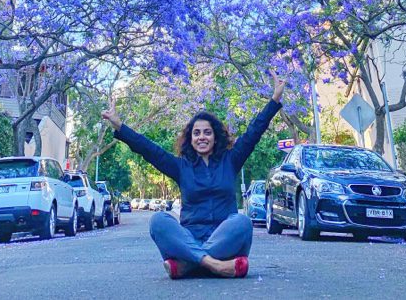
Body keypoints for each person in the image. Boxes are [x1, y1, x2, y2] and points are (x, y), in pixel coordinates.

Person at [101, 71, 285, 279]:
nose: (202, 137)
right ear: (190, 139)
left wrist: (274, 100)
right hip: (190, 238)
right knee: (158, 221)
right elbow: (149, 150)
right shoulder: (181, 167)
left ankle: (187, 265)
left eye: (207, 132)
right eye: (196, 133)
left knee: (242, 223)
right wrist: (119, 126)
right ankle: (214, 265)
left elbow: (254, 131)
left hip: (225, 239)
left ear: (216, 137)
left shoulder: (231, 160)